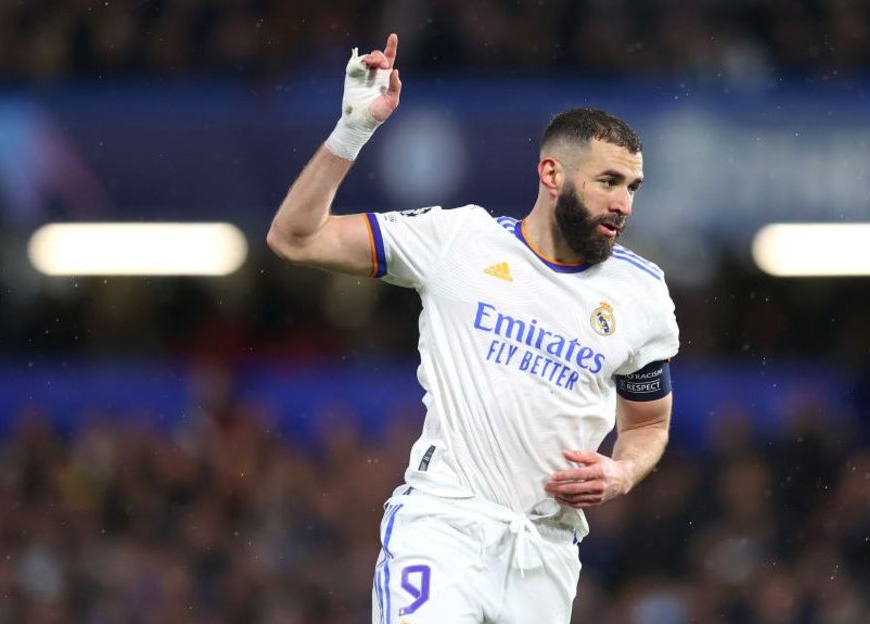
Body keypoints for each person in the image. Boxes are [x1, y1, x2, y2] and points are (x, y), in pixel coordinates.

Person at [267, 33, 679, 624]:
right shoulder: (458, 240)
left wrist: (622, 471)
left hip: (545, 554)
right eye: (608, 182)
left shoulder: (641, 295)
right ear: (552, 173)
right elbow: (295, 236)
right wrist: (351, 131)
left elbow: (649, 420)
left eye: (632, 187)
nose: (624, 204)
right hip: (445, 527)